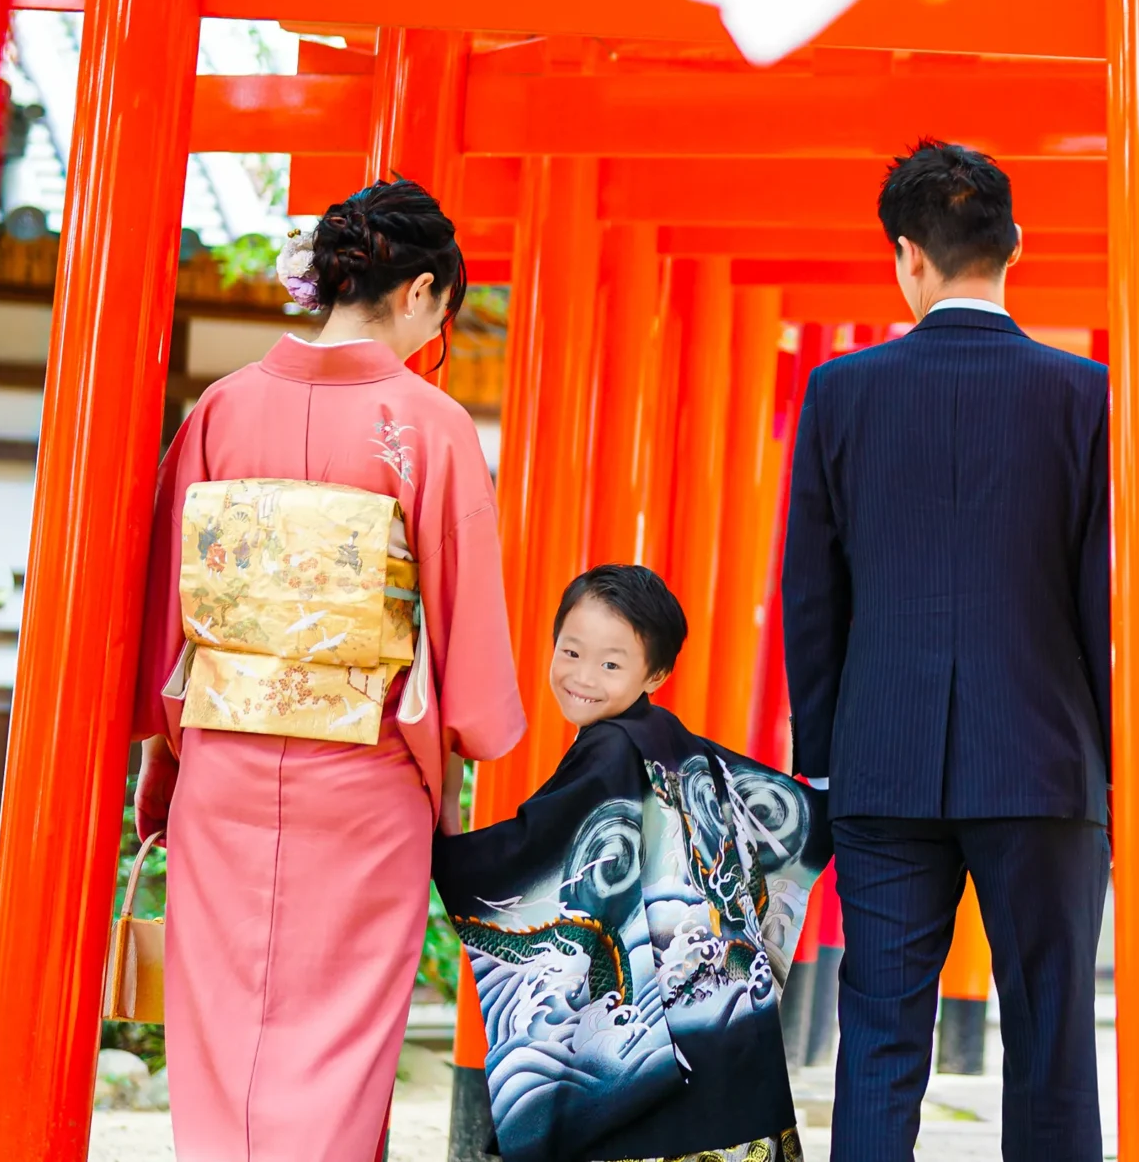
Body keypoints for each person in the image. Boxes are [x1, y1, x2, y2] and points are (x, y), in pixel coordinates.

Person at [128, 179, 527, 1162]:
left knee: (225, 1031)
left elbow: (165, 615)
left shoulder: (221, 408)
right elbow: (470, 656)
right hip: (362, 773)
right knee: (341, 1041)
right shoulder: (423, 424)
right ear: (421, 291)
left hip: (222, 764)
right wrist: (478, 734)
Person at [781, 139, 1112, 1162]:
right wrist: (1117, 769)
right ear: (1016, 246)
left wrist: (823, 767)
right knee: (1052, 1038)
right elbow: (1103, 599)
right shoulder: (1087, 395)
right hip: (1046, 769)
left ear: (906, 257)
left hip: (882, 766)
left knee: (878, 1038)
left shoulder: (842, 393)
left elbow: (812, 596)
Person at [433, 566, 829, 1162]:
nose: (583, 677)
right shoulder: (667, 736)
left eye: (611, 664)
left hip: (662, 1049)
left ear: (656, 673)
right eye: (571, 651)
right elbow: (773, 815)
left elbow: (528, 855)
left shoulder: (610, 749)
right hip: (723, 1026)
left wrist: (446, 831)